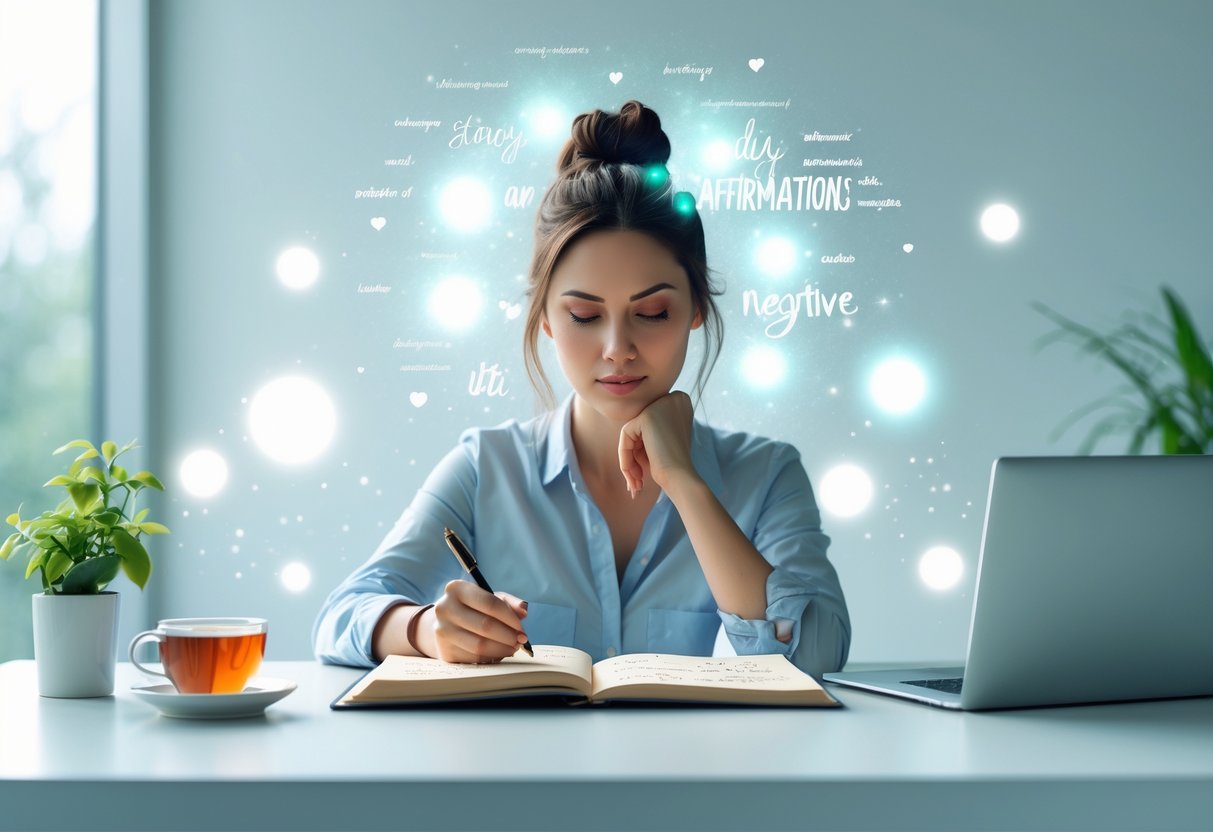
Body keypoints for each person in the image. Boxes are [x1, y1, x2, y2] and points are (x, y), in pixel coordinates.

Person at [312, 100, 850, 678]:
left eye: (652, 312)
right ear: (545, 317)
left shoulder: (766, 476)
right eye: (585, 316)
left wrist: (687, 485)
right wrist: (424, 629)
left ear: (696, 309)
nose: (617, 347)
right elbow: (341, 617)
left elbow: (815, 652)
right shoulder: (484, 469)